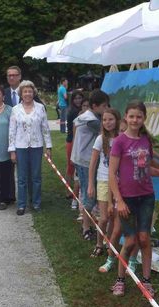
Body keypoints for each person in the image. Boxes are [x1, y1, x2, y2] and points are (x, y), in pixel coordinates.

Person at [109, 100, 159, 297]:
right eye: (131, 116)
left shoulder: (145, 141)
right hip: (126, 199)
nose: (135, 120)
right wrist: (119, 200)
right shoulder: (119, 142)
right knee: (129, 241)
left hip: (146, 197)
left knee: (144, 239)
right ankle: (120, 279)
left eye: (139, 116)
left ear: (144, 118)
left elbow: (150, 168)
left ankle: (146, 281)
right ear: (126, 117)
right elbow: (112, 174)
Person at [8, 80, 52, 216]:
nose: (27, 94)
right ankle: (22, 204)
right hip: (20, 147)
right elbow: (12, 131)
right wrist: (12, 150)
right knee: (21, 177)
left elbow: (45, 128)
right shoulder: (15, 109)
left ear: (33, 93)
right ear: (21, 93)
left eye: (30, 91)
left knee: (36, 176)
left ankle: (36, 202)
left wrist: (48, 146)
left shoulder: (40, 108)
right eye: (25, 91)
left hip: (36, 146)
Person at [71, 89, 109, 240]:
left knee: (88, 192)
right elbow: (105, 132)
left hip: (81, 158)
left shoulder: (84, 115)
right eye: (104, 106)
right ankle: (86, 228)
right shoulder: (92, 120)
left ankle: (88, 224)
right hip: (86, 161)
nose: (106, 109)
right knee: (90, 194)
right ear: (95, 105)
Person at [88, 108, 121, 257]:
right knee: (104, 217)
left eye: (111, 119)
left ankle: (110, 242)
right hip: (103, 180)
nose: (107, 122)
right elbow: (93, 163)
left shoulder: (122, 138)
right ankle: (99, 243)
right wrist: (90, 184)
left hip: (119, 183)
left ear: (117, 120)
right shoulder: (101, 139)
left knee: (114, 216)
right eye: (105, 120)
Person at [65, 90, 84, 205]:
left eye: (80, 98)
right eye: (76, 98)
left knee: (74, 166)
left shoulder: (80, 111)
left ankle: (75, 189)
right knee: (71, 166)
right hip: (72, 141)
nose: (78, 100)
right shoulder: (73, 112)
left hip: (76, 141)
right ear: (72, 100)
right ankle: (68, 190)